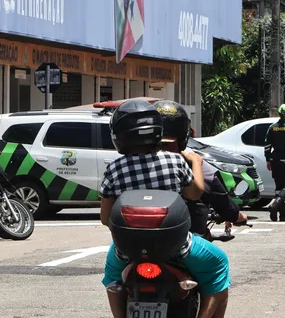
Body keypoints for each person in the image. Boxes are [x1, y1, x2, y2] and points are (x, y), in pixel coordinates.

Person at [98, 100, 230, 318]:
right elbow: (195, 193)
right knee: (218, 265)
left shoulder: (114, 169)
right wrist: (196, 162)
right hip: (177, 247)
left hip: (127, 249)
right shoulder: (174, 161)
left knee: (112, 278)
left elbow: (105, 218)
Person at [154, 100, 248, 239]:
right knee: (220, 261)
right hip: (185, 244)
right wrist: (237, 216)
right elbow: (217, 201)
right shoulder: (192, 164)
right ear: (184, 138)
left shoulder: (128, 164)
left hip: (132, 247)